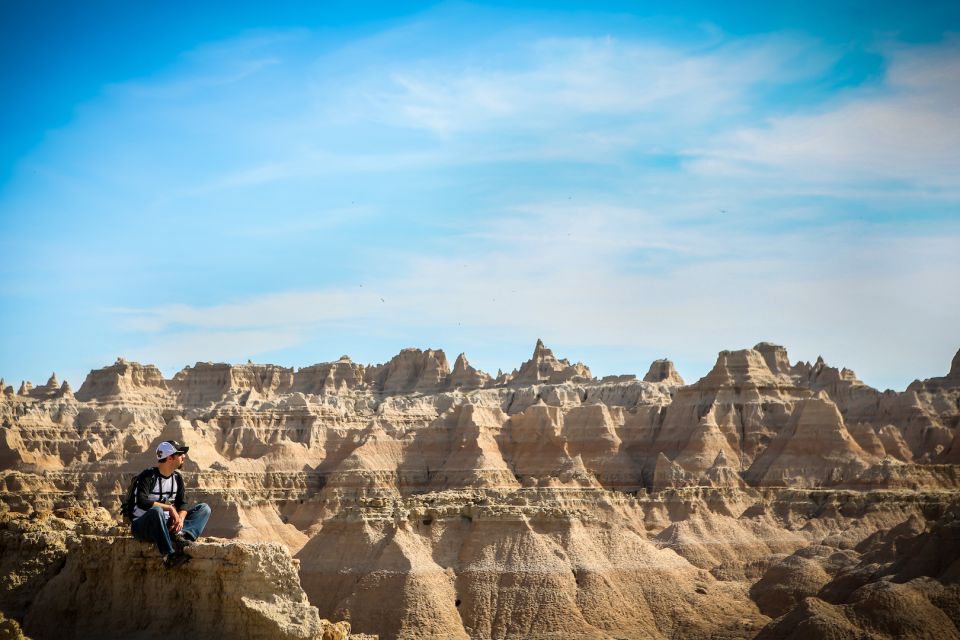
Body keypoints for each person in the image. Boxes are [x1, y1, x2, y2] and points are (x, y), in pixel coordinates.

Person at [130, 440, 211, 569]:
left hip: (166, 524)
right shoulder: (148, 476)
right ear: (169, 458)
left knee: (204, 509)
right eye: (180, 454)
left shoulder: (177, 479)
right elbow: (142, 502)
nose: (183, 457)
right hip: (143, 526)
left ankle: (181, 537)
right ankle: (169, 556)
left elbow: (183, 504)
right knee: (157, 511)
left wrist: (180, 519)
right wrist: (169, 508)